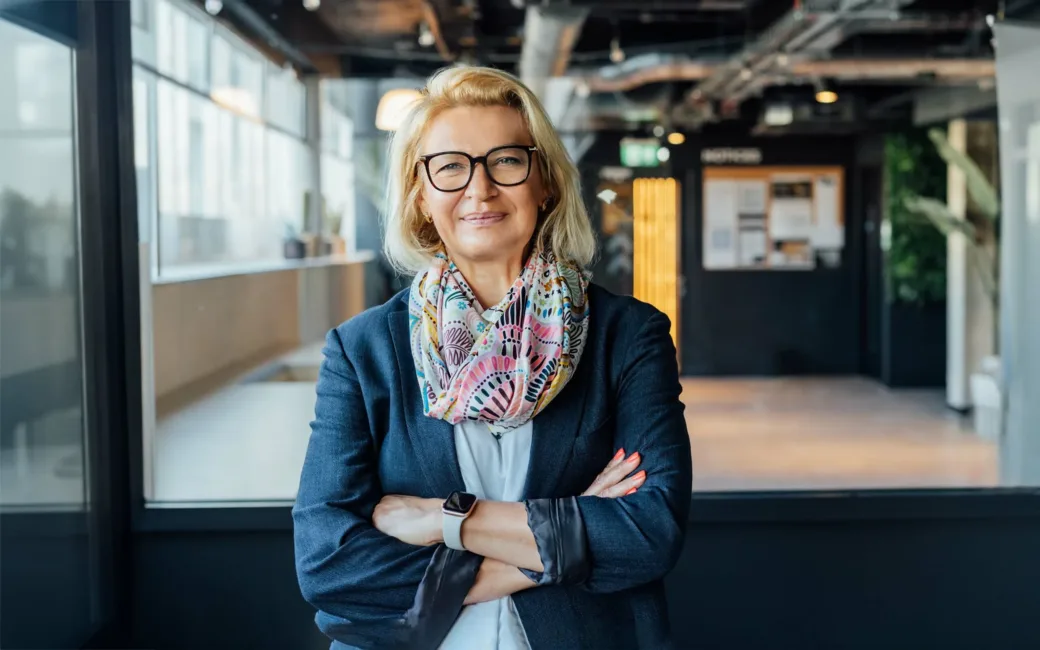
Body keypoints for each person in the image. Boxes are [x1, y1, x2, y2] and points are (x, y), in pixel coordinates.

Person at [292, 65, 692, 650]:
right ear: (421, 197)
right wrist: (568, 532)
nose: (479, 189)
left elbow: (649, 534)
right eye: (450, 167)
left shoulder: (627, 336)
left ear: (545, 182)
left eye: (505, 160)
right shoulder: (363, 350)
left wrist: (444, 521)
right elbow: (328, 564)